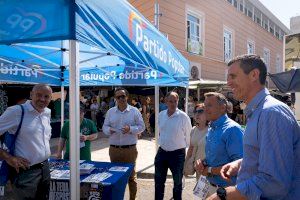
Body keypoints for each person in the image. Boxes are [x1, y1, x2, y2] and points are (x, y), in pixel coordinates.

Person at [207, 54, 300, 200]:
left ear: (254, 75)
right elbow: (268, 157)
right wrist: (241, 164)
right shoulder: (258, 111)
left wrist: (224, 195)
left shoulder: (270, 113)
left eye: (233, 76)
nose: (228, 83)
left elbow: (274, 183)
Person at [0, 84, 52, 199]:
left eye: (46, 96)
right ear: (31, 94)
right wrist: (8, 157)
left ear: (50, 98)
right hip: (25, 172)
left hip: (45, 168)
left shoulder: (47, 112)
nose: (42, 99)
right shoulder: (16, 111)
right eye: (39, 95)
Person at [194, 92, 244, 196]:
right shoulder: (212, 127)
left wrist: (209, 170)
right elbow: (213, 158)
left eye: (209, 105)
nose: (205, 109)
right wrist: (203, 163)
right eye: (205, 105)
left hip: (227, 191)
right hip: (210, 187)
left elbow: (241, 165)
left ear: (222, 108)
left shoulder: (232, 129)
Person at [102, 87, 145, 200]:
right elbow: (104, 127)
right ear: (115, 99)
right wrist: (109, 130)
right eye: (118, 97)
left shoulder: (134, 111)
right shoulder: (110, 112)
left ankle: (132, 199)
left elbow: (142, 127)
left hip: (130, 149)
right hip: (114, 149)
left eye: (123, 96)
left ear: (127, 97)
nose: (121, 98)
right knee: (115, 176)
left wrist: (130, 129)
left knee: (131, 177)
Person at [155, 91, 192, 200]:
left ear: (178, 102)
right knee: (158, 182)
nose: (173, 104)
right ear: (166, 101)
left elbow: (189, 136)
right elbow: (160, 132)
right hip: (162, 153)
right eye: (170, 101)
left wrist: (188, 155)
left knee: (177, 184)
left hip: (177, 155)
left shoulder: (183, 117)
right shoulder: (161, 115)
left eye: (175, 101)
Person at [184, 103, 208, 180]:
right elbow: (191, 149)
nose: (197, 114)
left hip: (209, 170)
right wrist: (186, 164)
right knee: (200, 191)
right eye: (195, 112)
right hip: (198, 169)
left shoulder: (212, 130)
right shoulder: (194, 130)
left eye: (200, 111)